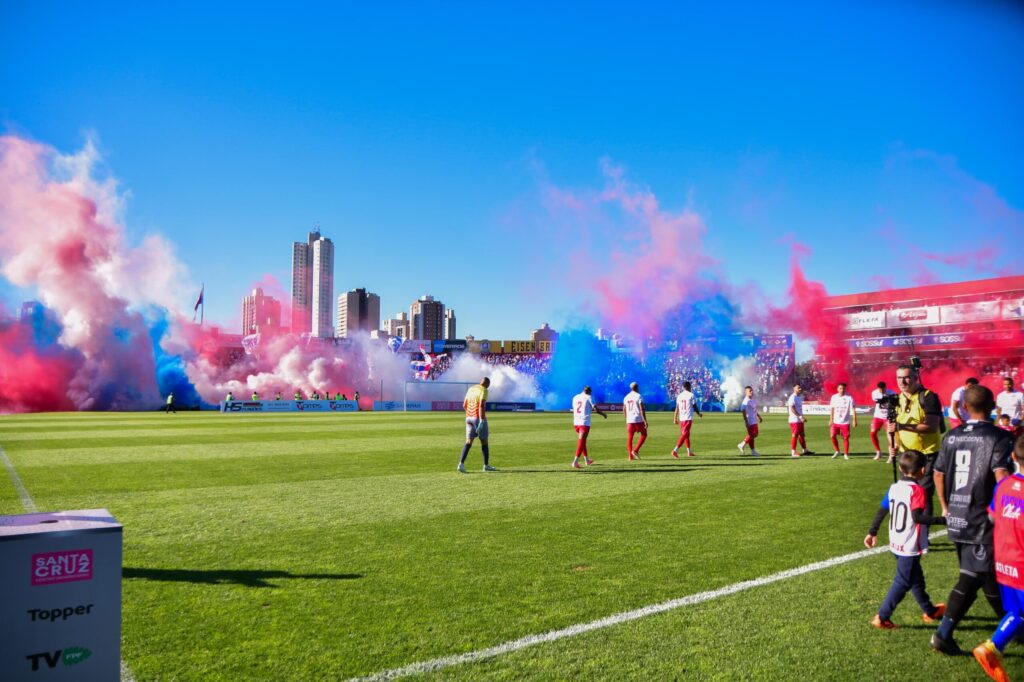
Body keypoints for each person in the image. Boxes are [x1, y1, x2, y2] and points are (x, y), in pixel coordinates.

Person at [930, 384, 1014, 655]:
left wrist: (945, 506)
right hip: (983, 518)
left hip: (957, 514)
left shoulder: (951, 436)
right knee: (972, 576)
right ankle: (943, 634)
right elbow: (1001, 476)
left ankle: (1014, 627)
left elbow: (938, 474)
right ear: (993, 408)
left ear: (964, 407)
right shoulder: (999, 437)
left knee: (987, 574)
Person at [864, 450, 947, 629]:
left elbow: (882, 510)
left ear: (901, 468)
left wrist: (872, 531)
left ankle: (930, 610)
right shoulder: (918, 490)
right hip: (909, 544)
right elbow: (918, 518)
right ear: (923, 470)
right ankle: (882, 616)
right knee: (903, 581)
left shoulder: (894, 487)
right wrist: (944, 520)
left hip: (896, 542)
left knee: (916, 578)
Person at [971, 434, 1024, 682]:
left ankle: (994, 649)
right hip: (1022, 561)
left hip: (1003, 559)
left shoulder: (1003, 485)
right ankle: (992, 647)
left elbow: (992, 517)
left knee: (1016, 610)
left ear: (1013, 457)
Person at [887, 365, 943, 512]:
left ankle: (923, 531)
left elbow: (931, 427)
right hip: (906, 456)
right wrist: (892, 445)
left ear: (915, 378)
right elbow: (891, 427)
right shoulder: (896, 399)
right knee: (907, 494)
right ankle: (910, 529)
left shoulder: (928, 396)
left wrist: (902, 426)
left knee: (923, 494)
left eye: (906, 377)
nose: (902, 381)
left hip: (926, 455)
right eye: (899, 378)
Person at [458, 378, 495, 473]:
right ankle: (486, 466)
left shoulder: (471, 389)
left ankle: (461, 464)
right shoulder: (484, 390)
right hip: (478, 418)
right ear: (487, 384)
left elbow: (464, 405)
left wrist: (470, 414)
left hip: (468, 418)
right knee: (484, 442)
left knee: (468, 442)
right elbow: (481, 405)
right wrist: (482, 420)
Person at [572, 385, 607, 468]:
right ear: (589, 391)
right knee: (581, 441)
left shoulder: (575, 397)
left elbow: (574, 408)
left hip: (576, 422)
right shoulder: (589, 397)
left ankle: (586, 460)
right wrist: (603, 414)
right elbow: (596, 409)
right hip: (584, 422)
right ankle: (575, 462)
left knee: (582, 441)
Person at [672, 380, 702, 458]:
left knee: (686, 435)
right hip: (688, 417)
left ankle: (689, 452)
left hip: (681, 418)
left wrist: (675, 418)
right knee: (685, 434)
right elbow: (694, 406)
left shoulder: (679, 396)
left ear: (683, 387)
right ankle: (675, 450)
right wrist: (699, 413)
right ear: (689, 387)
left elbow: (677, 408)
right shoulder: (691, 395)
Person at [829, 382, 857, 460]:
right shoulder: (834, 397)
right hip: (835, 421)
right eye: (840, 388)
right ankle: (837, 451)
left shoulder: (849, 398)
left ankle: (846, 454)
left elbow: (853, 409)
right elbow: (832, 409)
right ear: (837, 389)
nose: (842, 390)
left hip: (845, 422)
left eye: (843, 388)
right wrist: (831, 419)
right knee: (832, 435)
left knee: (845, 438)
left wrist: (854, 420)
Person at [870, 381, 896, 461]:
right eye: (880, 390)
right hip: (877, 416)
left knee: (889, 436)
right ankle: (878, 452)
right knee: (873, 432)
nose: (882, 391)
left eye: (883, 389)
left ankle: (891, 456)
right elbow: (878, 401)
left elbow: (895, 403)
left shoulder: (891, 393)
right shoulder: (874, 393)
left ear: (885, 387)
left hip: (887, 417)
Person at [786, 384, 813, 458]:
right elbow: (792, 408)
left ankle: (804, 450)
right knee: (795, 435)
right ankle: (793, 451)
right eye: (798, 388)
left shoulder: (799, 397)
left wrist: (802, 417)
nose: (800, 389)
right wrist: (800, 416)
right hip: (794, 420)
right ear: (794, 388)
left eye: (800, 388)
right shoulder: (792, 397)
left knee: (802, 435)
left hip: (799, 420)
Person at [624, 382, 648, 460]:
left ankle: (630, 456)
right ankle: (636, 450)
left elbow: (624, 409)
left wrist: (626, 419)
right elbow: (641, 408)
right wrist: (645, 420)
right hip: (638, 419)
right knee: (644, 434)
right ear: (637, 387)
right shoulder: (639, 396)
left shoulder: (626, 397)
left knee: (630, 437)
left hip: (629, 420)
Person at [738, 386, 763, 457]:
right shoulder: (746, 400)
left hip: (754, 420)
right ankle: (742, 444)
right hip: (750, 420)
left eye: (752, 390)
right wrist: (746, 421)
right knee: (754, 434)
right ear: (746, 392)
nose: (751, 392)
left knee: (752, 436)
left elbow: (754, 410)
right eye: (750, 391)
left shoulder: (752, 400)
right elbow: (743, 410)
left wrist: (759, 416)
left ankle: (753, 451)